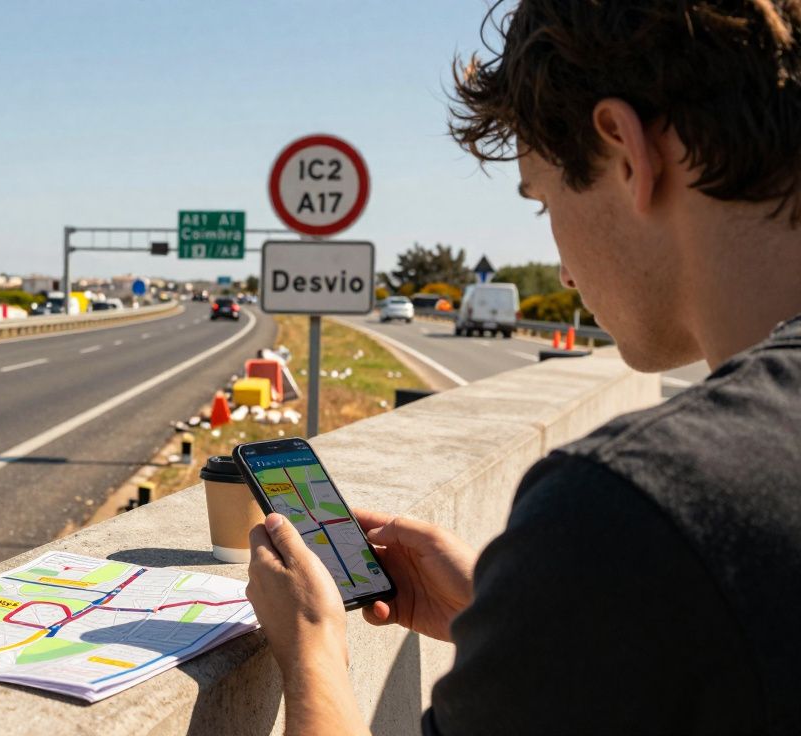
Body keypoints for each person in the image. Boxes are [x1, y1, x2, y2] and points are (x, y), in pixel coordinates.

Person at [246, 1, 801, 733]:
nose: (565, 273)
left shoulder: (632, 510)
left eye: (543, 203)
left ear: (626, 150)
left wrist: (312, 649)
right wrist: (519, 615)